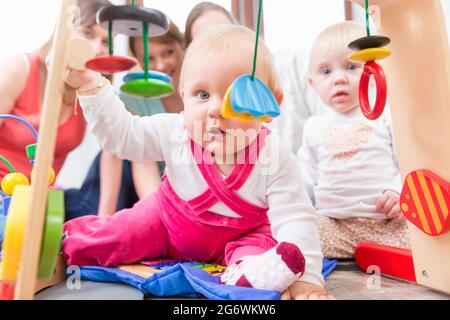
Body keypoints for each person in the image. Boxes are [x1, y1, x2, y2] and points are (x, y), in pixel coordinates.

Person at [63, 24, 331, 299]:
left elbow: (295, 218)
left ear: (270, 105)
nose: (215, 109)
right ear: (184, 100)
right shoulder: (174, 132)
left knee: (264, 248)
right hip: (167, 223)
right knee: (118, 234)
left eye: (234, 97)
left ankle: (245, 273)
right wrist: (91, 86)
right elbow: (123, 137)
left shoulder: (275, 155)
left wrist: (308, 281)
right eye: (202, 95)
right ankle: (66, 243)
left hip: (242, 239)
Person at [298, 21, 410, 258]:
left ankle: (381, 255)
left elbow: (409, 163)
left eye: (350, 67)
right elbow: (304, 178)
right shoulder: (313, 127)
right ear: (312, 83)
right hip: (335, 226)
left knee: (427, 234)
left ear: (372, 71)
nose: (338, 79)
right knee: (297, 234)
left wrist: (399, 191)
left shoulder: (384, 114)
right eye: (326, 72)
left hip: (386, 225)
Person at [64, 21, 185, 219]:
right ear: (138, 60)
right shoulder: (133, 99)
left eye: (168, 52)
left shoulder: (202, 95)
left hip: (155, 185)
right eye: (148, 58)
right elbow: (132, 155)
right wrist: (106, 217)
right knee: (84, 212)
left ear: (183, 46)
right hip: (125, 171)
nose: (161, 65)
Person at [0, 0, 111, 180]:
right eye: (88, 33)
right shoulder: (20, 68)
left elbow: (121, 139)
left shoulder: (90, 86)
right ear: (64, 31)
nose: (97, 49)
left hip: (41, 198)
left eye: (106, 41)